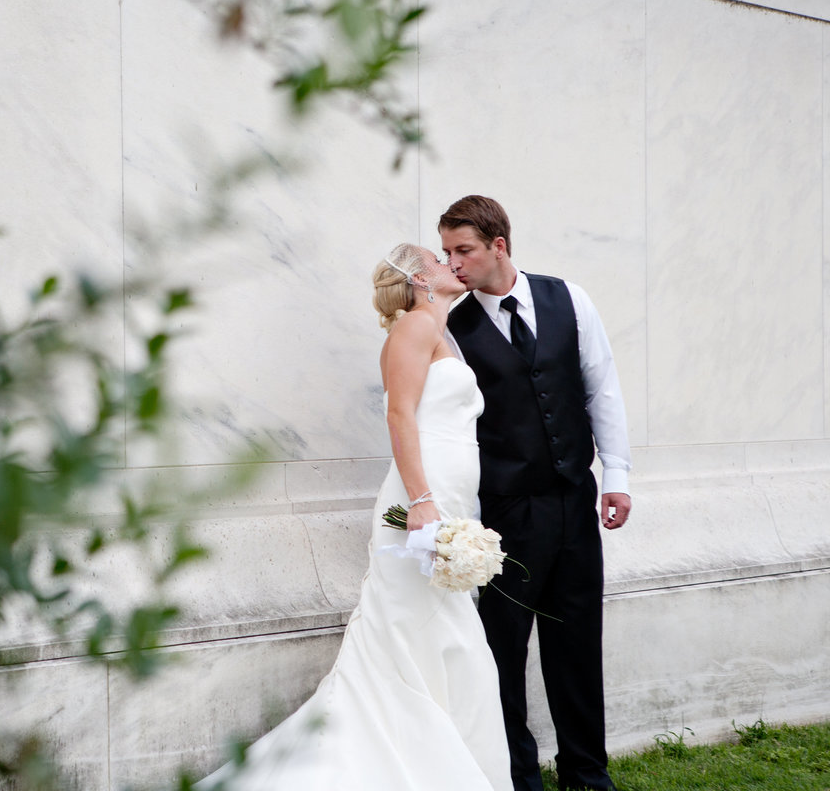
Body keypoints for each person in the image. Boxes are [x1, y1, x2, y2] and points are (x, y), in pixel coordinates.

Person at [198, 244, 512, 790]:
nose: (452, 264)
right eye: (440, 260)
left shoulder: (442, 330)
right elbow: (399, 413)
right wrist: (421, 501)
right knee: (413, 635)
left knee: (444, 639)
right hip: (422, 504)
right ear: (419, 279)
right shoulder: (415, 327)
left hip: (451, 502)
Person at [439, 196, 632, 791]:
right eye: (446, 253)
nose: (454, 265)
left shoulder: (569, 298)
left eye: (463, 250)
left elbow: (602, 387)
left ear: (499, 245)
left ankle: (586, 776)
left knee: (577, 644)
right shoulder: (453, 325)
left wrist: (617, 475)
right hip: (503, 514)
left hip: (575, 499)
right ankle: (518, 777)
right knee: (502, 654)